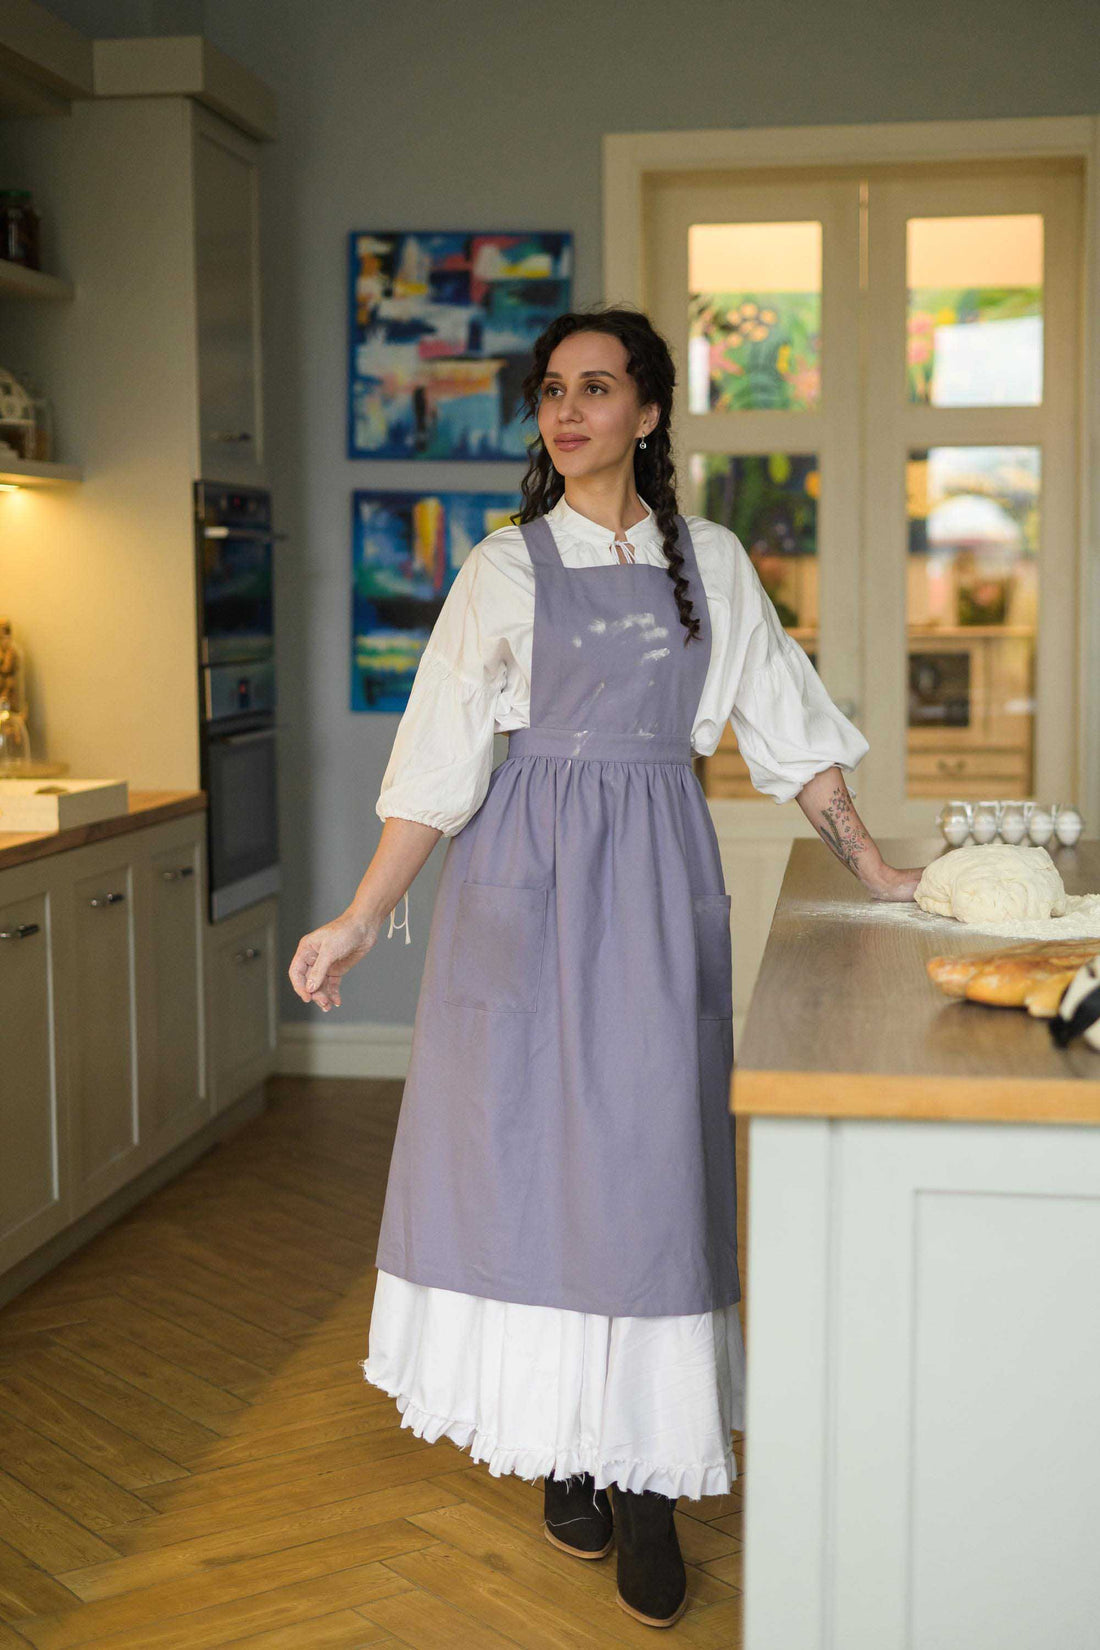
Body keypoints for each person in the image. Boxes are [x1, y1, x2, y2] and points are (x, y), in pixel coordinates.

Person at [289, 304, 924, 1630]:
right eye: (550, 391)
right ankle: (568, 1447)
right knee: (529, 1169)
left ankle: (649, 1483)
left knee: (646, 1174)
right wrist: (356, 917)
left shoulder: (718, 563)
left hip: (648, 889)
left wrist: (875, 866)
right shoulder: (504, 569)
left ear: (649, 409)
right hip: (517, 897)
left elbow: (793, 737)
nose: (566, 410)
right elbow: (437, 771)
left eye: (597, 387)